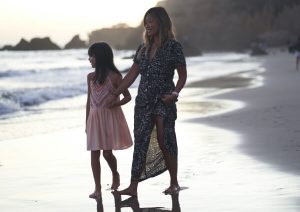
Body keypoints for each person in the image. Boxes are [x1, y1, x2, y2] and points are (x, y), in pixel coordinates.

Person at [108, 7, 187, 196]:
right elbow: (131, 76)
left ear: (161, 22)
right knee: (141, 141)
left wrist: (174, 94)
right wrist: (116, 93)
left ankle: (174, 182)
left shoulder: (173, 47)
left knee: (164, 138)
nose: (147, 25)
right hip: (143, 101)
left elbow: (182, 76)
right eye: (146, 22)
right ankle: (133, 186)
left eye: (150, 21)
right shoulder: (142, 49)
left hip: (164, 99)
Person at [86, 42, 133, 199]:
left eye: (91, 56)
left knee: (107, 153)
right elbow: (88, 101)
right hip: (94, 118)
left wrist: (115, 102)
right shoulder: (90, 77)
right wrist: (87, 121)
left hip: (109, 118)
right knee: (94, 153)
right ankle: (97, 188)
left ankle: (115, 173)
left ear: (99, 57)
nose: (89, 59)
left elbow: (128, 97)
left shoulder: (115, 77)